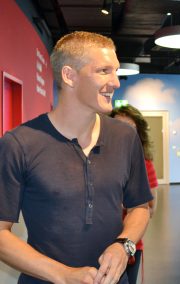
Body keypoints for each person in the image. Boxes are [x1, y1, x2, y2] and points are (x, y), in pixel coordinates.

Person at [0, 31, 153, 284]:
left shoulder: (125, 136)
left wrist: (123, 245)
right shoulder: (19, 143)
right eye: (104, 71)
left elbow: (140, 207)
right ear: (69, 76)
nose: (116, 82)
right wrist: (63, 275)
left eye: (115, 71)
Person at [110, 105, 159, 284]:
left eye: (129, 127)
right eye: (116, 125)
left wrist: (123, 203)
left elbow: (151, 209)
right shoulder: (95, 159)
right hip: (96, 244)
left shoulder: (145, 165)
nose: (122, 132)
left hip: (131, 245)